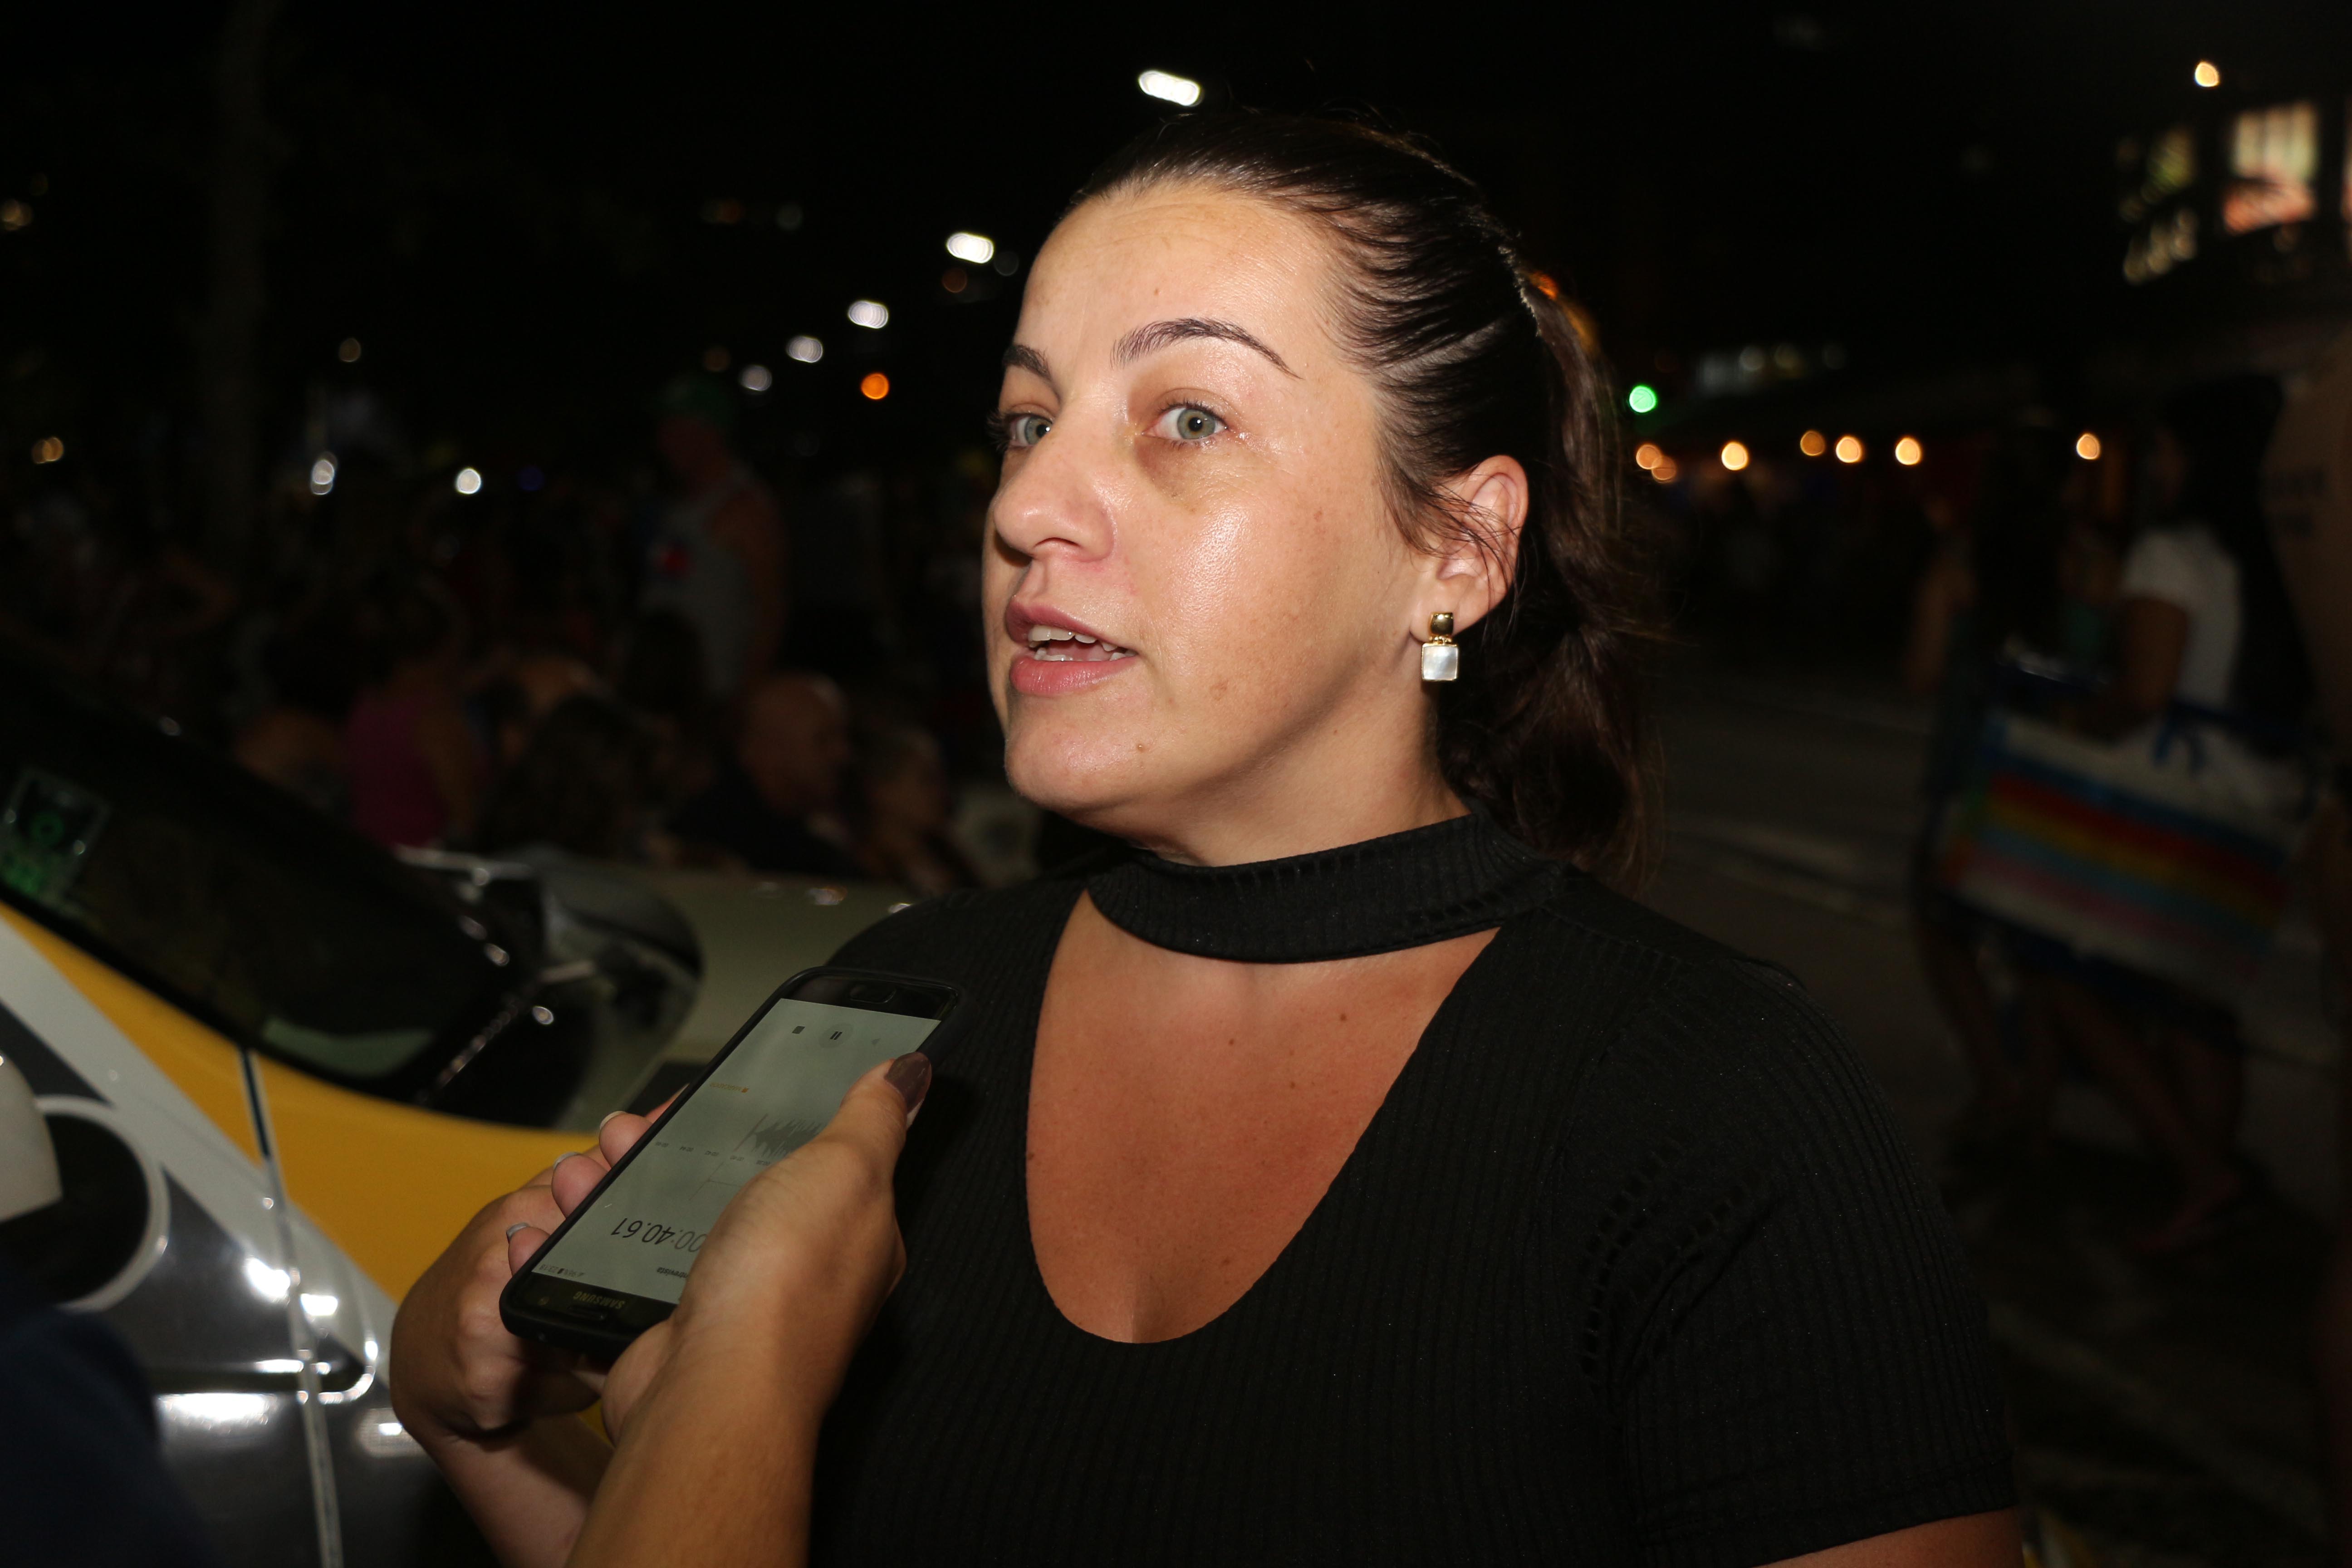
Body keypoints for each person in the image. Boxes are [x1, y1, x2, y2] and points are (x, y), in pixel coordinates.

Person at [392, 114, 2016, 1565]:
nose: (1027, 506)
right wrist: (472, 1412)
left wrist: (740, 1366)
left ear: (1457, 549)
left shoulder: (1713, 1106)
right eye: (1027, 421)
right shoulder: (889, 1012)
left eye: (1185, 418)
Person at [2032, 377, 2308, 1254]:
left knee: (2067, 974)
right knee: (2201, 1005)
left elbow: (2144, 690)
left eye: (2161, 450)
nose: (2152, 466)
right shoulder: (2280, 558)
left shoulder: (2170, 555)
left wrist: (2079, 718)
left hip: (2174, 813)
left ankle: (2197, 1170)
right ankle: (2207, 1177)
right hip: (2262, 805)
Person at [641, 378, 787, 705]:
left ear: (712, 432)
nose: (664, 441)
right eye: (664, 428)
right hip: (665, 691)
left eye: (677, 428)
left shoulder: (746, 506)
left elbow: (770, 609)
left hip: (716, 692)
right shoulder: (676, 501)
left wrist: (748, 693)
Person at [666, 671, 862, 877]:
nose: (843, 754)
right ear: (767, 748)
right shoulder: (711, 842)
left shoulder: (817, 834)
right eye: (823, 739)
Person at [345, 574, 481, 849]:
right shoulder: (434, 721)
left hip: (366, 853)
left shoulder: (368, 701)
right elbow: (466, 822)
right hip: (415, 865)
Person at [848, 725, 981, 897]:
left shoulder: (947, 853)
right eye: (927, 779)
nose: (941, 791)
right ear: (882, 789)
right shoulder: (860, 871)